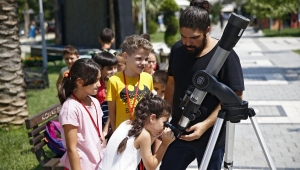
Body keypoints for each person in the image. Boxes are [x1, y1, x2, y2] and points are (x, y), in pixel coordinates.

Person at [160, 0, 245, 169]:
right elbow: (171, 83)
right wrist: (165, 117)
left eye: (194, 38)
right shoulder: (177, 50)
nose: (187, 43)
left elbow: (236, 95)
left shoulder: (226, 56)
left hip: (211, 137)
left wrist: (205, 125)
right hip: (178, 131)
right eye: (183, 36)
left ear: (207, 30)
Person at [99, 93, 175, 170]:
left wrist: (155, 136)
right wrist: (165, 144)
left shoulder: (125, 124)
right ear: (152, 118)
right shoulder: (144, 135)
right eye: (164, 122)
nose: (165, 127)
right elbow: (151, 167)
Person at [58, 58, 105, 170]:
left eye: (99, 79)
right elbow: (72, 149)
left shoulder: (94, 102)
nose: (99, 84)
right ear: (80, 82)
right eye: (95, 80)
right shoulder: (70, 108)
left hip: (98, 162)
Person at [105, 35, 154, 131]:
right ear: (126, 57)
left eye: (146, 59)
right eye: (139, 59)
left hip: (144, 133)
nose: (144, 63)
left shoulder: (148, 78)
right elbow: (112, 112)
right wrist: (116, 135)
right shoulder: (114, 81)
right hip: (122, 133)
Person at [92, 51, 118, 127]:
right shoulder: (94, 84)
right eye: (109, 68)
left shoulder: (117, 82)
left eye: (115, 67)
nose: (114, 71)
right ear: (99, 69)